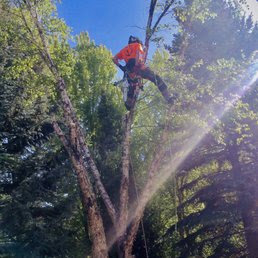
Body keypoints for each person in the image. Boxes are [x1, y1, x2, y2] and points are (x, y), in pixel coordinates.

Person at [113, 35, 175, 109]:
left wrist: (122, 68)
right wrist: (136, 65)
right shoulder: (138, 45)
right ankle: (168, 98)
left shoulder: (124, 49)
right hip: (138, 67)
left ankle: (128, 104)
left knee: (132, 87)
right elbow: (138, 54)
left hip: (128, 70)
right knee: (156, 78)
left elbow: (114, 59)